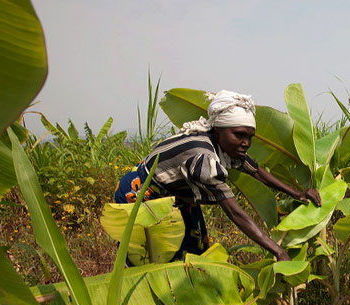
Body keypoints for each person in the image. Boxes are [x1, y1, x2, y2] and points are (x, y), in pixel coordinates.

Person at [114, 90, 321, 262]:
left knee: (194, 255)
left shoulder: (223, 145)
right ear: (219, 129)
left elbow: (256, 171)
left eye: (249, 137)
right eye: (239, 134)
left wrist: (297, 193)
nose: (246, 143)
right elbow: (236, 213)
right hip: (142, 195)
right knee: (157, 259)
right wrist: (278, 250)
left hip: (176, 199)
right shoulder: (203, 156)